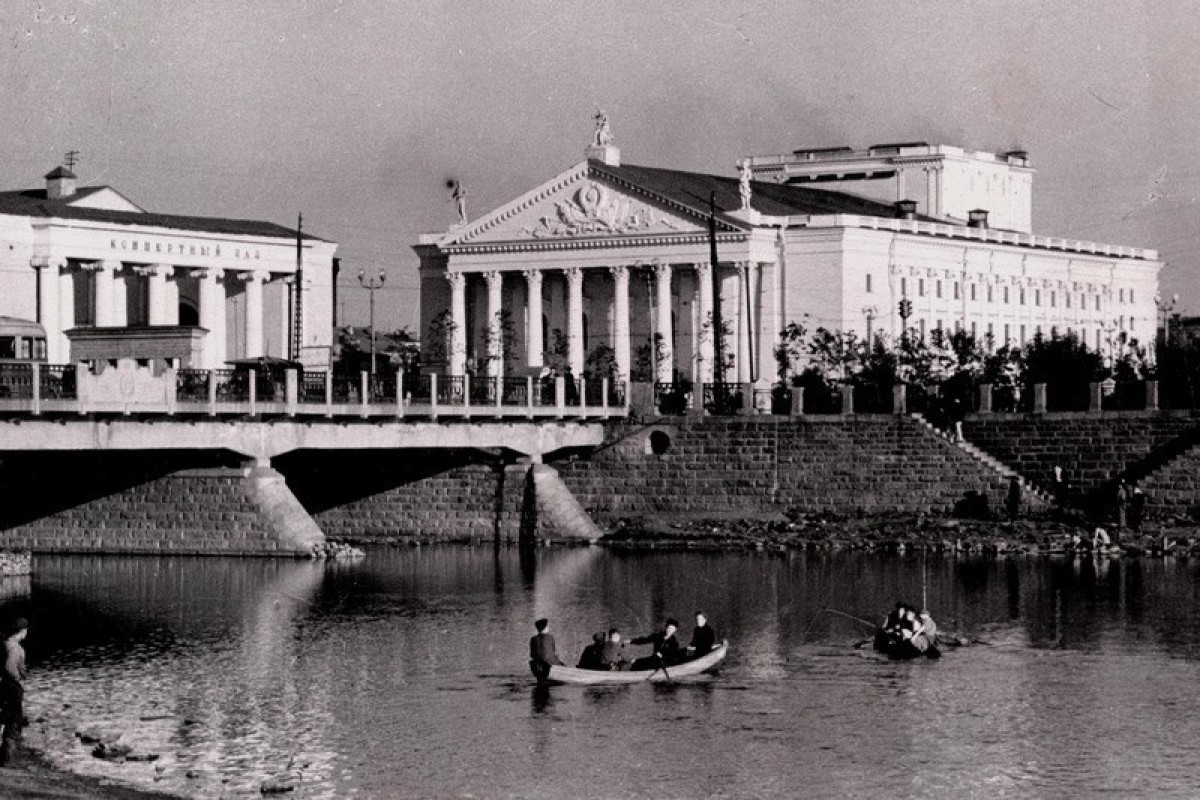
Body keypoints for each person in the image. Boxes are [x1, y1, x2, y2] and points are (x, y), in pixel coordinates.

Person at [0, 618, 28, 762]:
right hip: (12, 686)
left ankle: (5, 753)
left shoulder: (5, 644)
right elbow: (10, 667)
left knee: (5, 716)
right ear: (22, 631)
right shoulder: (15, 647)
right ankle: (7, 757)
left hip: (4, 685)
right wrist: (18, 679)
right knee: (13, 719)